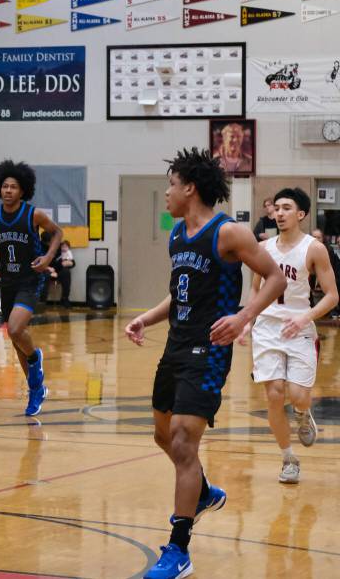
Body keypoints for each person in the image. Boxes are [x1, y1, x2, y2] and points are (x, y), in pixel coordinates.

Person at [124, 148, 286, 579]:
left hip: (209, 348)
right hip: (175, 346)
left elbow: (275, 277)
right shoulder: (178, 234)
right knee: (162, 435)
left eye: (171, 185)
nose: (166, 193)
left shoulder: (229, 233)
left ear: (190, 188)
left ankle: (178, 549)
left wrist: (243, 316)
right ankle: (201, 491)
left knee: (181, 440)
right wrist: (147, 316)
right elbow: (177, 293)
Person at [244, 188, 338, 484]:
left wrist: (304, 318)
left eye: (287, 208)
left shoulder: (314, 249)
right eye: (277, 208)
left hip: (298, 327)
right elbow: (256, 288)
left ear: (301, 215)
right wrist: (247, 319)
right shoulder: (264, 248)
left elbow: (333, 296)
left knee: (297, 396)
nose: (280, 213)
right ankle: (288, 459)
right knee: (273, 395)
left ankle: (303, 412)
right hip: (268, 329)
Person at [0, 160, 63, 416]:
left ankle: (35, 359)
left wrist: (47, 258)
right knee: (15, 338)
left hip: (30, 279)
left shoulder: (33, 214)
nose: (8, 190)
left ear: (23, 191)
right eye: (4, 186)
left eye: (13, 187)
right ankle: (37, 389)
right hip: (7, 280)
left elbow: (57, 233)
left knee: (14, 328)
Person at [48, 240, 75, 306]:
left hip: (59, 271)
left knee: (66, 272)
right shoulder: (42, 248)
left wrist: (70, 263)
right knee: (43, 275)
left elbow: (72, 262)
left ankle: (65, 298)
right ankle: (41, 300)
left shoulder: (61, 249)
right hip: (48, 271)